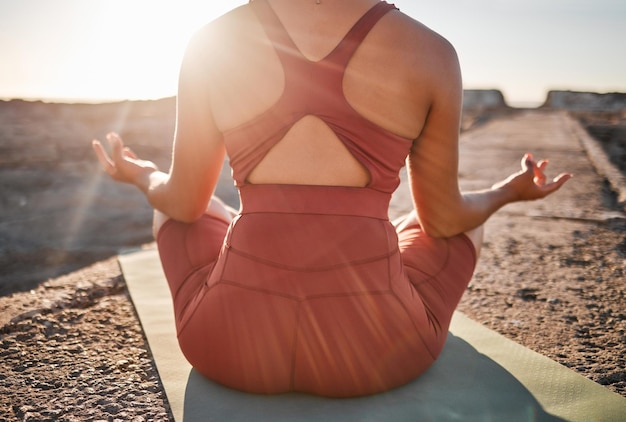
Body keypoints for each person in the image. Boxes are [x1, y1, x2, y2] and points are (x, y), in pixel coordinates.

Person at [93, 0, 571, 397]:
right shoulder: (432, 52)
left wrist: (142, 173)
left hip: (230, 347)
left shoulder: (214, 42)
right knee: (450, 220)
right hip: (376, 355)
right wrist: (509, 191)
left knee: (190, 212)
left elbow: (182, 204)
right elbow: (444, 220)